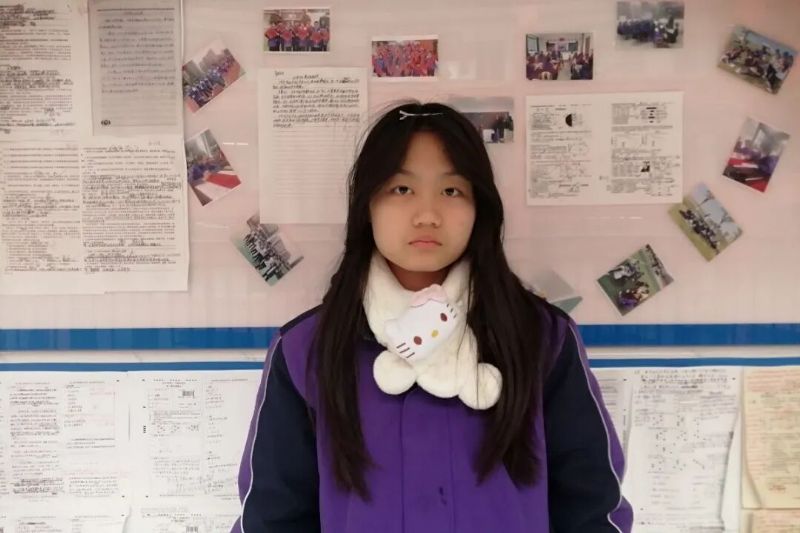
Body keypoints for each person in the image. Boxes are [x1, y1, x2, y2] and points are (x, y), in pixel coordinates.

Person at [232, 102, 633, 533]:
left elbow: (592, 508)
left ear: (479, 207)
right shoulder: (305, 349)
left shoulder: (542, 338)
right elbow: (272, 519)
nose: (427, 215)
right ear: (367, 205)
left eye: (452, 191)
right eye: (402, 189)